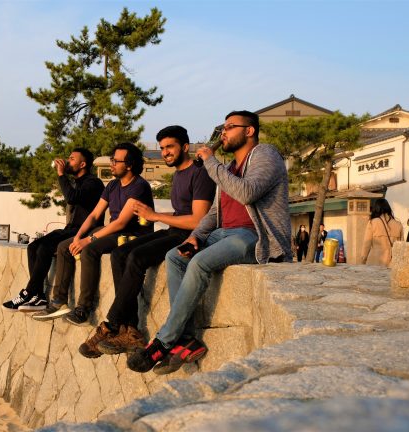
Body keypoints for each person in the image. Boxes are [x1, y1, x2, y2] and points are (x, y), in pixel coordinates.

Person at [127, 110, 292, 375]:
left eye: (230, 127)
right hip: (224, 233)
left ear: (249, 131)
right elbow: (215, 213)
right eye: (222, 128)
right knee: (175, 256)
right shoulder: (227, 169)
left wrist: (211, 163)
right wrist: (195, 237)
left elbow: (247, 193)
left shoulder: (265, 154)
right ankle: (187, 339)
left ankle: (163, 341)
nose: (223, 133)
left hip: (256, 237)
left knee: (200, 263)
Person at [78, 126, 215, 358]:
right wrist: (158, 217)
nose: (165, 152)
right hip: (174, 230)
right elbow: (179, 214)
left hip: (189, 236)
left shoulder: (200, 173)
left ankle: (112, 325)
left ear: (184, 147)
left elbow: (198, 220)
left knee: (136, 257)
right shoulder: (179, 174)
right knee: (120, 254)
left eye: (169, 147)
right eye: (161, 148)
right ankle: (131, 330)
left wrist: (154, 216)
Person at [33, 142, 154, 325]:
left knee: (90, 250)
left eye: (116, 161)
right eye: (112, 159)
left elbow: (121, 222)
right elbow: (95, 214)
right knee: (64, 246)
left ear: (129, 165)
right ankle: (59, 301)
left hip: (132, 234)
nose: (112, 164)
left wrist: (89, 240)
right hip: (114, 229)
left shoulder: (139, 186)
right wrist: (78, 237)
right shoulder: (113, 185)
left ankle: (84, 309)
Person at [2, 148, 104, 311]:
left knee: (45, 248)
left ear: (83, 164)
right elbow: (72, 196)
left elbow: (72, 197)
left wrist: (61, 174)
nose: (68, 161)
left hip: (83, 230)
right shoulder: (79, 182)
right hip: (70, 228)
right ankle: (38, 296)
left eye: (72, 159)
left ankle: (29, 292)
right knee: (33, 247)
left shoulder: (93, 183)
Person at [360, 198, 403, 267]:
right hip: (392, 262)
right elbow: (401, 246)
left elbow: (366, 243)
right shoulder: (398, 224)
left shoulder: (372, 223)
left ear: (376, 208)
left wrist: (363, 259)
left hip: (375, 261)